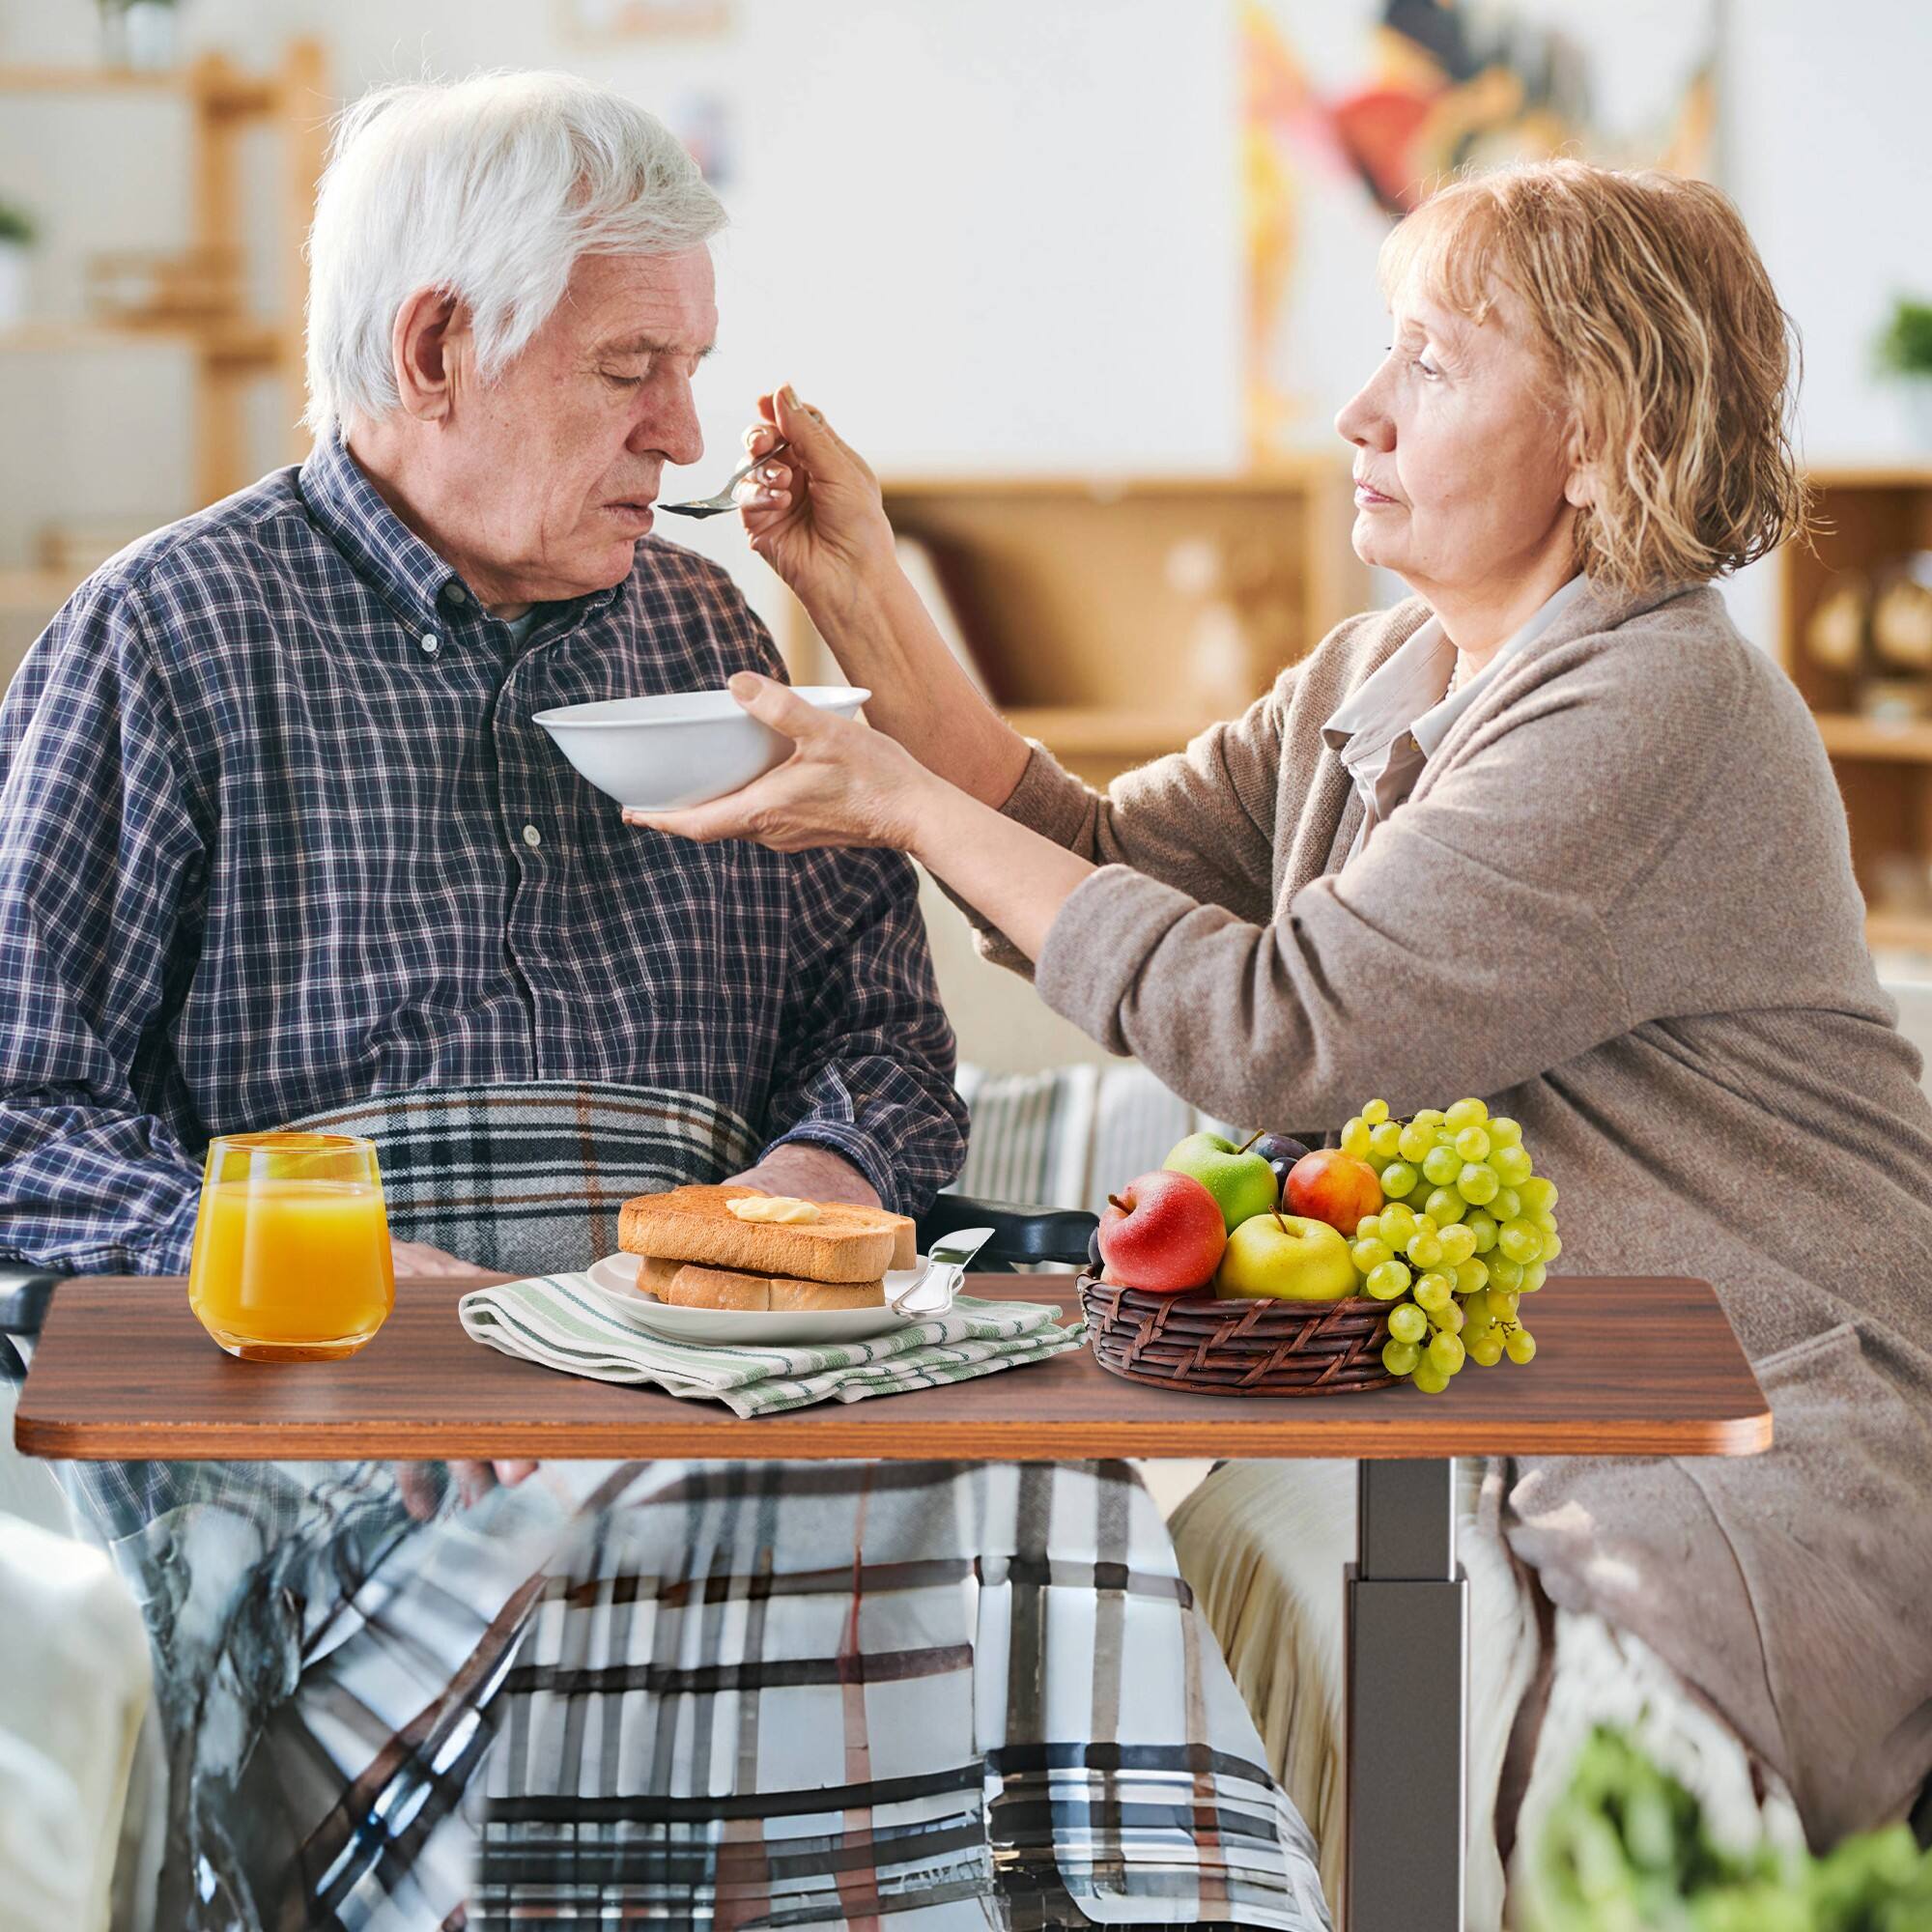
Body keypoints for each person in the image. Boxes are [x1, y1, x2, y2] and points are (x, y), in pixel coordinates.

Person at [0, 73, 1327, 1930]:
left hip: (735, 1369)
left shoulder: (710, 632)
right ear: (439, 343)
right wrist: (364, 1284)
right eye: (633, 368)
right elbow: (19, 1123)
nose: (685, 429)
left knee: (1061, 1497)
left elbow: (880, 1032)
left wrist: (804, 1207)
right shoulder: (159, 641)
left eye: (691, 368)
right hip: (361, 1438)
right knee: (701, 1538)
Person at [635, 159, 1932, 1921]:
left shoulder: (1662, 702)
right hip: (1529, 1408)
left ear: (1597, 432)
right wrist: (860, 587)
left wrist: (899, 809)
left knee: (1317, 1591)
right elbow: (1086, 855)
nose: (1360, 411)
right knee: (1241, 1549)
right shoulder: (1377, 676)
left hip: (1754, 1428)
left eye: (1432, 364)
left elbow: (1289, 1034)